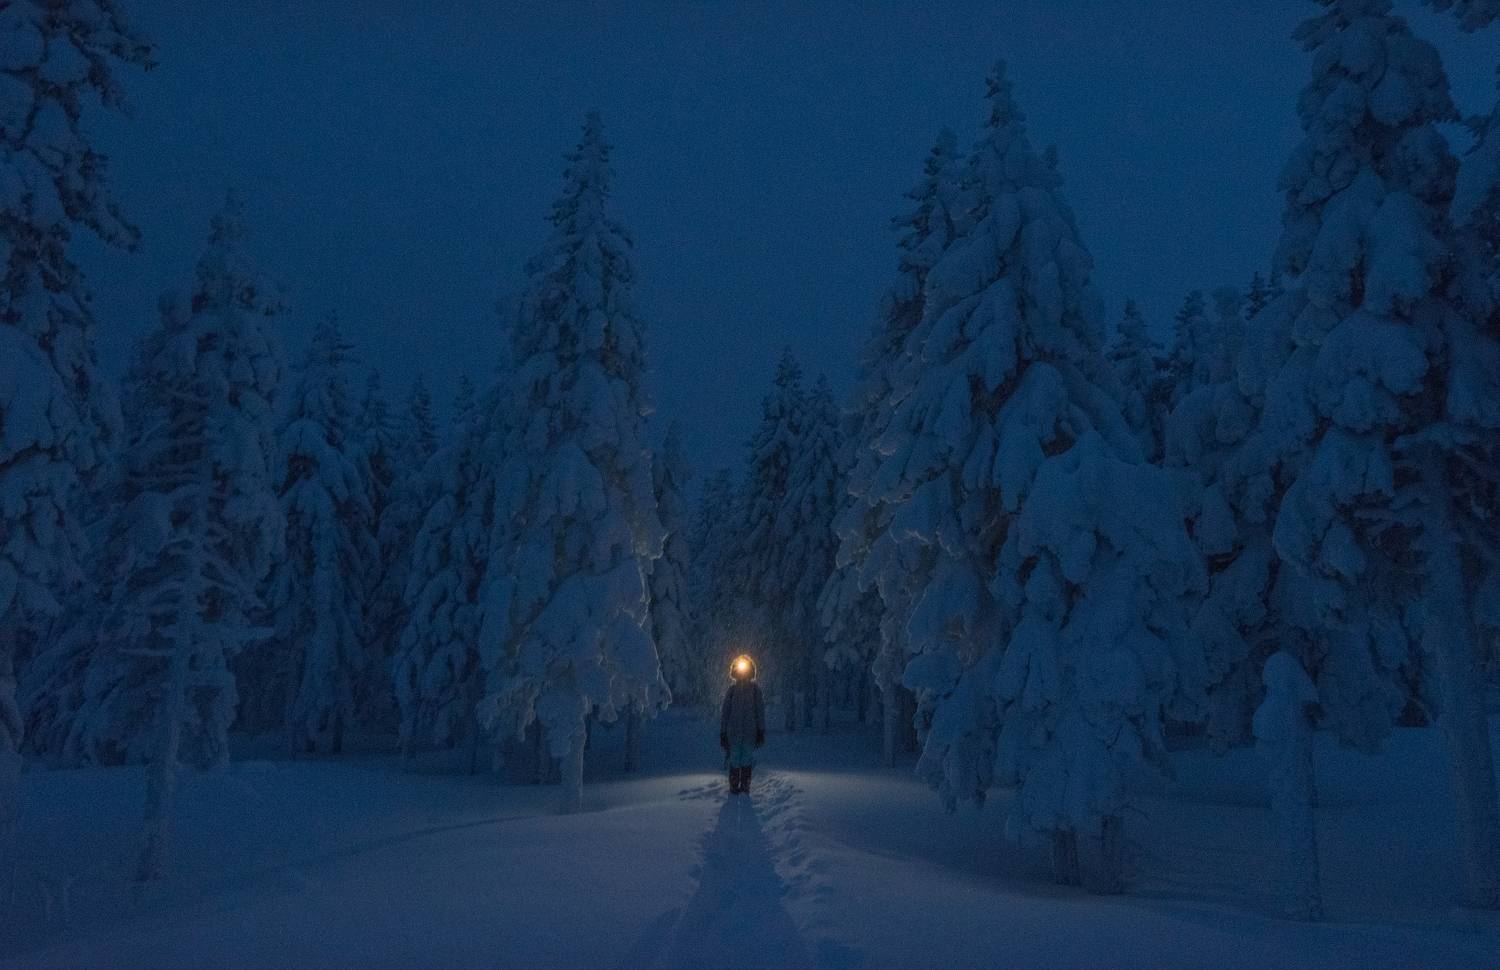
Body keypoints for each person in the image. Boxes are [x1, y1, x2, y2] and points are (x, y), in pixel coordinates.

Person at [719, 655, 765, 795]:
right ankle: (734, 787)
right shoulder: (731, 691)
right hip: (734, 734)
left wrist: (760, 731)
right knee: (734, 760)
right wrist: (723, 732)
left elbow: (760, 712)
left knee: (746, 760)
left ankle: (745, 787)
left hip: (750, 734)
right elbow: (725, 712)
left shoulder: (755, 691)